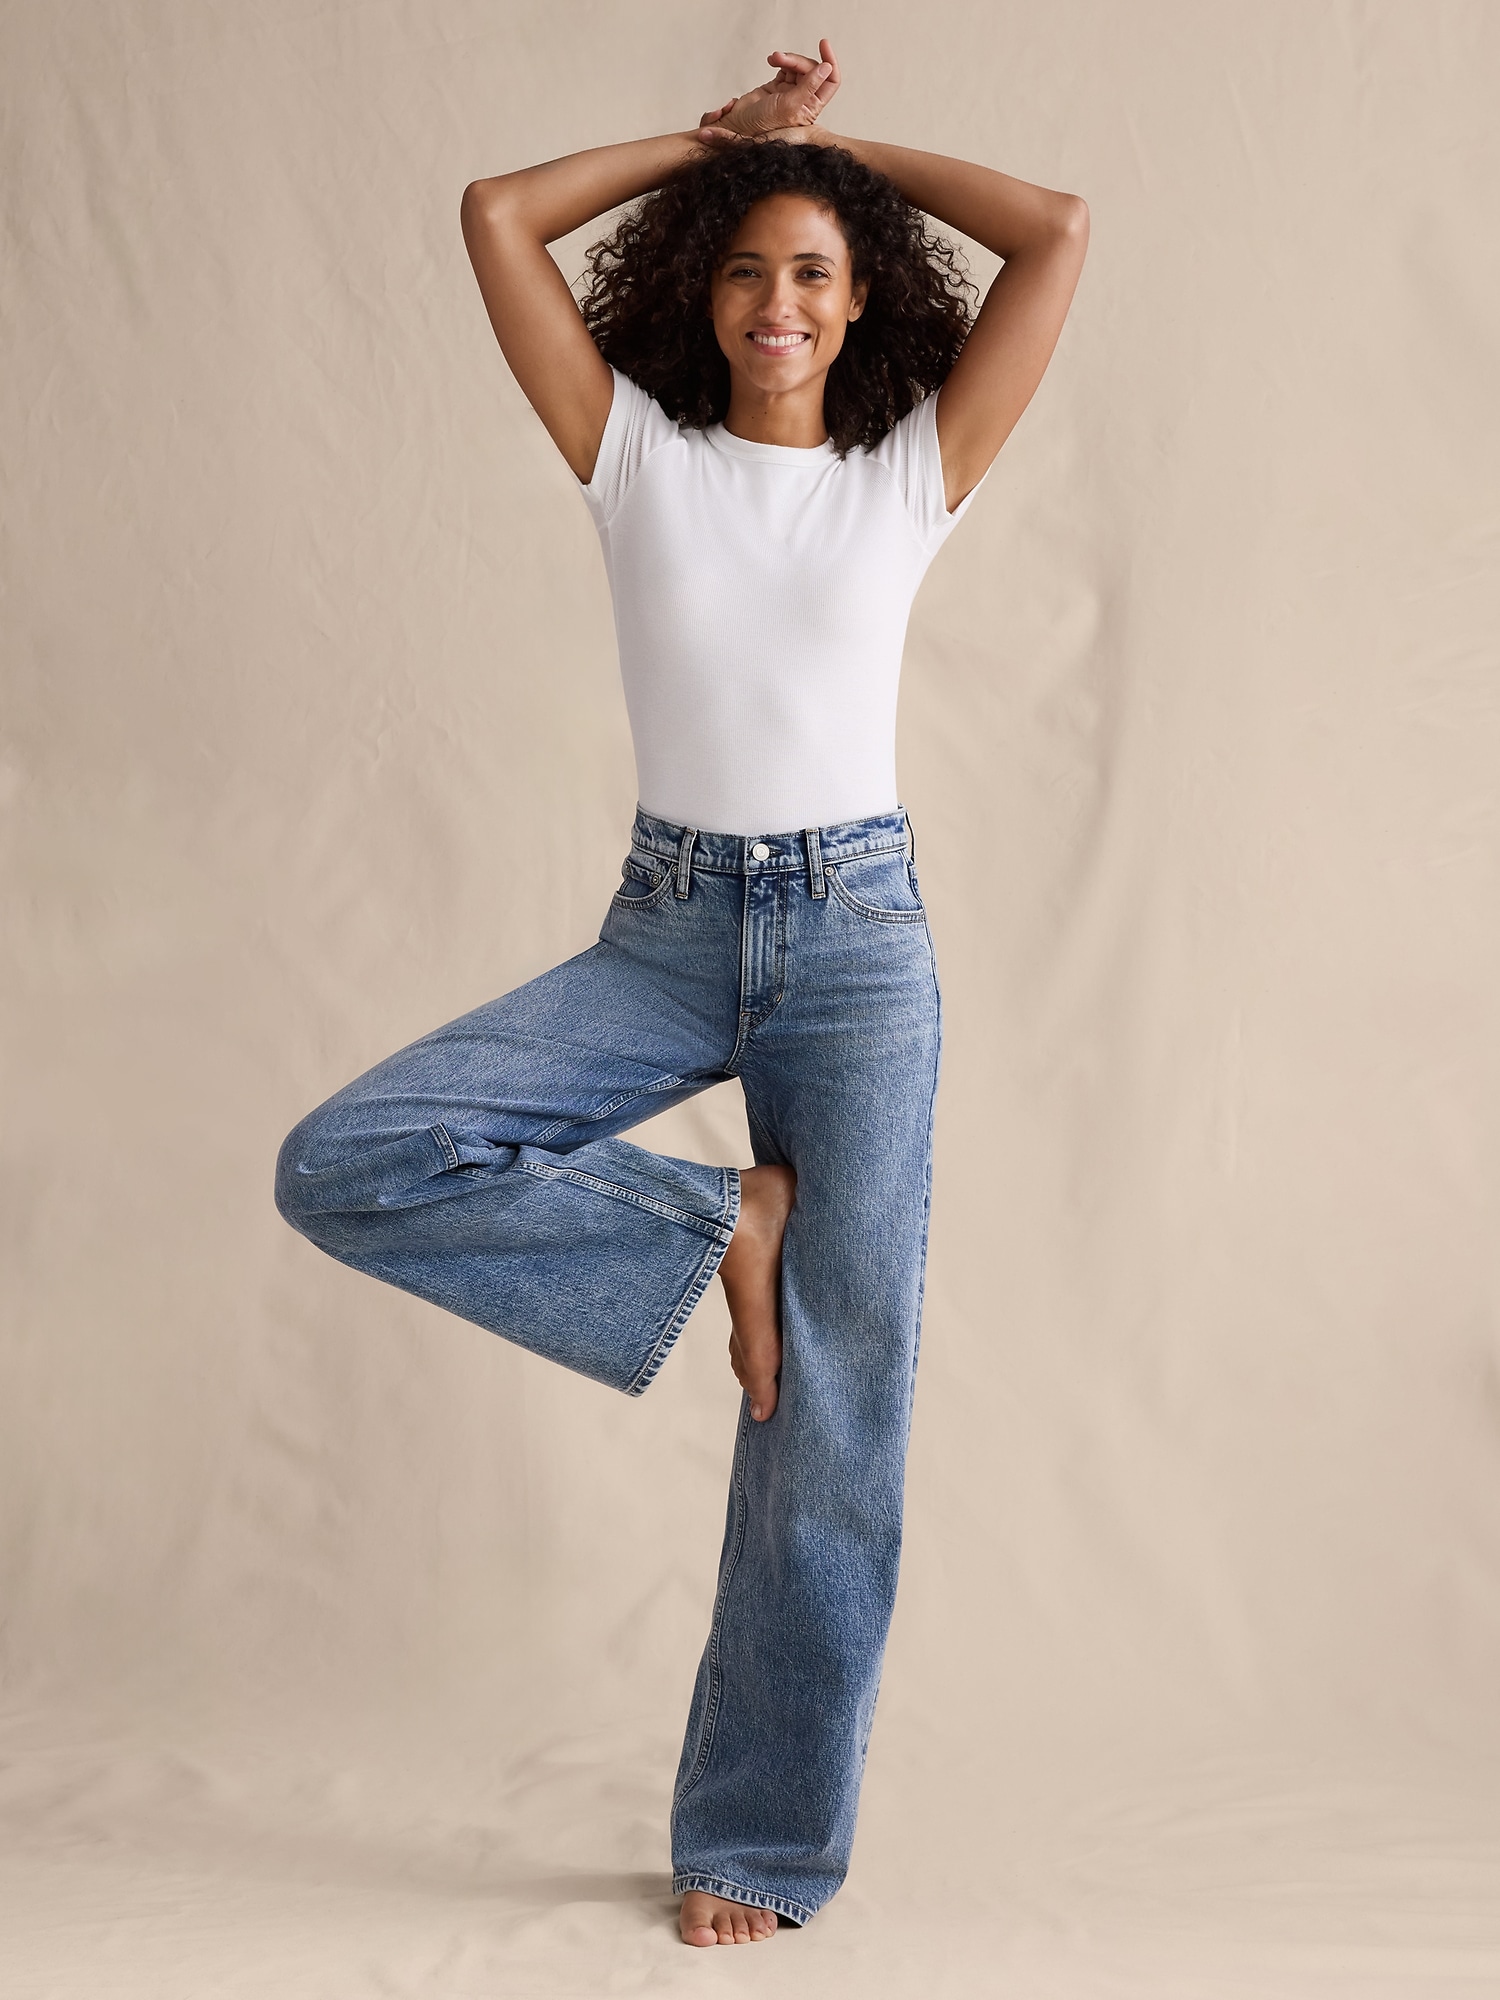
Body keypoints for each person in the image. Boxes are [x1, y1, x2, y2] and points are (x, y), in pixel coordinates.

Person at [274, 40, 1087, 1948]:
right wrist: (721, 151)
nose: (777, 303)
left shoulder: (908, 477)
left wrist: (833, 154)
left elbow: (1055, 233)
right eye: (743, 269)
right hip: (666, 930)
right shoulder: (634, 452)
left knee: (833, 1411)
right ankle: (724, 1226)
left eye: (813, 271)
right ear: (698, 295)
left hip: (858, 948)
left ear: (862, 299)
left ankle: (759, 1845)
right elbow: (497, 215)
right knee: (351, 1159)